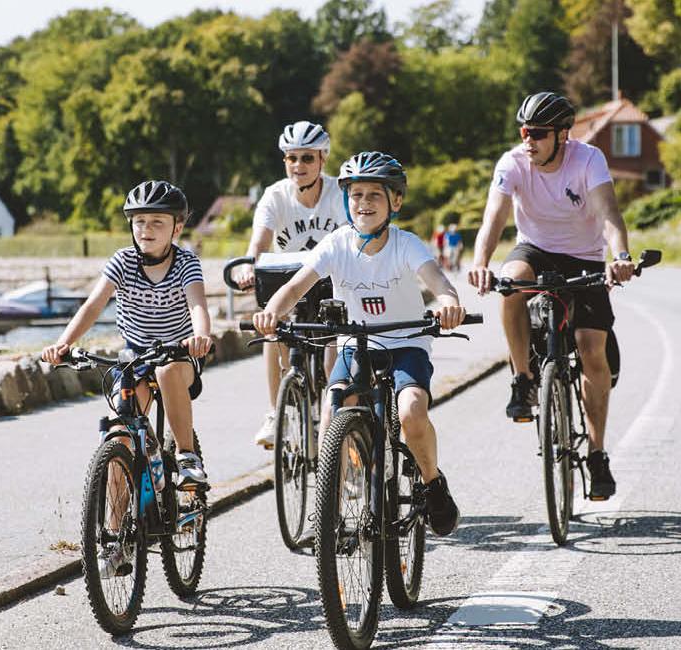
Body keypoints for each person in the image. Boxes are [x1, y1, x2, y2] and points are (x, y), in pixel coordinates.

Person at [253, 151, 466, 536]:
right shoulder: (337, 244)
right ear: (347, 201)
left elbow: (436, 279)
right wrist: (272, 311)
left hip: (405, 343)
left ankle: (433, 482)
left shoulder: (406, 244)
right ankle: (329, 507)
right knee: (335, 408)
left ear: (394, 202)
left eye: (374, 196)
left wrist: (449, 302)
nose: (364, 204)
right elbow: (296, 285)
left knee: (412, 411)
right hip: (357, 344)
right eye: (356, 196)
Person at [466, 91, 636, 501]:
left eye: (538, 133)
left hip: (584, 256)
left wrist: (621, 256)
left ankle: (596, 455)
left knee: (590, 348)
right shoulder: (513, 163)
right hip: (535, 249)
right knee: (511, 284)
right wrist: (479, 261)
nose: (529, 140)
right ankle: (523, 380)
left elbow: (609, 214)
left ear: (562, 135)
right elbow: (494, 216)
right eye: (525, 132)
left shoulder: (588, 159)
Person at [42, 180, 215, 489]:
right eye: (139, 222)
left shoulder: (186, 263)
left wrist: (201, 336)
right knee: (121, 435)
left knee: (167, 371)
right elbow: (92, 306)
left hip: (179, 354)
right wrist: (63, 343)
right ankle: (115, 531)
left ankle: (188, 456)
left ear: (177, 228)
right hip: (135, 356)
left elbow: (198, 305)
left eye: (157, 222)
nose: (146, 229)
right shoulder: (122, 262)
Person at [231, 121, 349, 449]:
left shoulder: (339, 194)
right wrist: (249, 266)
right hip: (290, 281)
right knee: (273, 327)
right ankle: (275, 412)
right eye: (292, 158)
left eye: (308, 158)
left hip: (331, 282)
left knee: (333, 348)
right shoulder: (275, 195)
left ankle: (337, 418)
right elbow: (260, 241)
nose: (299, 166)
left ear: (323, 159)